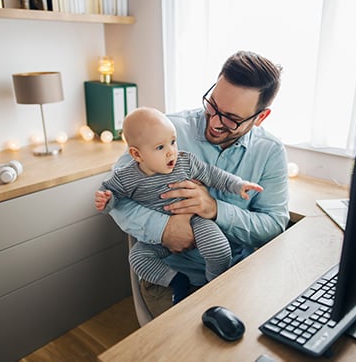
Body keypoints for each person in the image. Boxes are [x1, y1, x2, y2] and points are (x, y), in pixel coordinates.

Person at [96, 50, 290, 315]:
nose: (215, 122)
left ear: (260, 117)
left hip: (235, 274)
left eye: (231, 118)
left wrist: (215, 210)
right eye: (212, 105)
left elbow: (274, 225)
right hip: (172, 273)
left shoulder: (271, 153)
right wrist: (165, 230)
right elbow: (118, 194)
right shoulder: (164, 131)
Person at [95, 107, 264, 304]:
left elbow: (212, 174)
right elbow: (112, 194)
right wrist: (106, 200)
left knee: (219, 249)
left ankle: (214, 285)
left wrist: (237, 185)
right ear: (137, 154)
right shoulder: (127, 177)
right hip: (160, 238)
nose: (171, 152)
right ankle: (177, 281)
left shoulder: (185, 162)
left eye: (173, 142)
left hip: (195, 219)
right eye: (160, 148)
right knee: (137, 258)